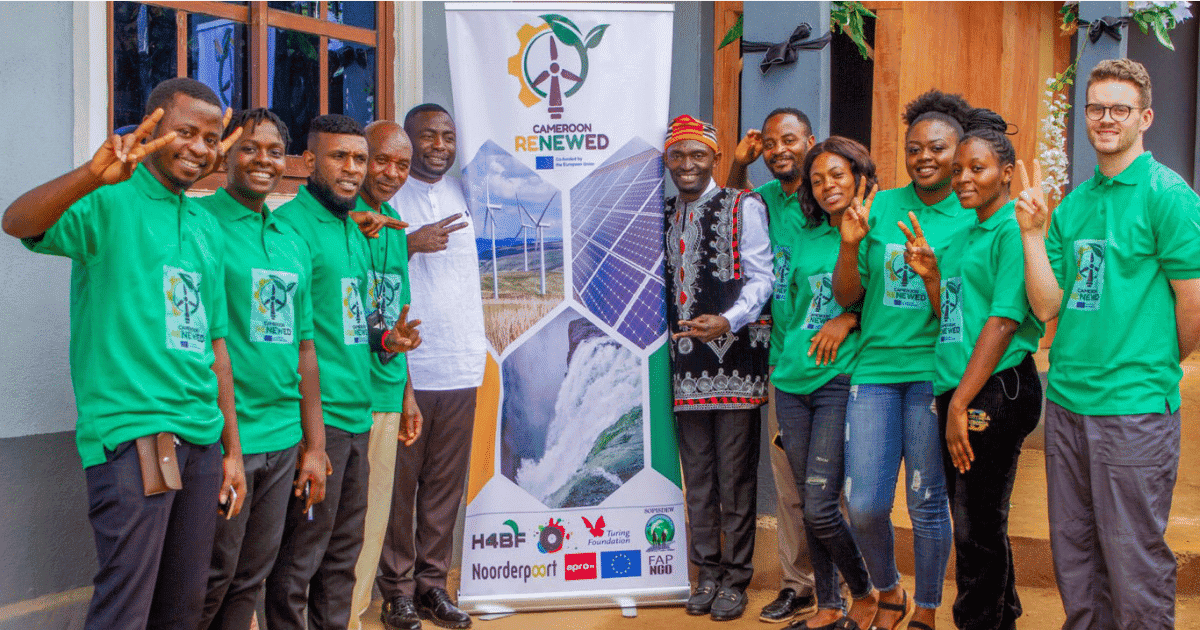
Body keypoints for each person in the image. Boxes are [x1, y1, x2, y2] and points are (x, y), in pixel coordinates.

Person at [1, 77, 246, 630]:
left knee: (183, 605)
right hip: (135, 435)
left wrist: (231, 449)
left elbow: (216, 347)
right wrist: (91, 175)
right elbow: (16, 222)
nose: (199, 148)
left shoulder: (205, 224)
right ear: (154, 128)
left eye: (211, 139)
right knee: (126, 607)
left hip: (202, 439)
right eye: (185, 132)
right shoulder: (110, 198)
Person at [1017, 58, 1200, 630]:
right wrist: (1032, 235)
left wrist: (1155, 362)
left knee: (1133, 561)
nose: (1105, 118)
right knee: (1075, 558)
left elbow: (1194, 303)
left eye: (1120, 108)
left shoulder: (1168, 195)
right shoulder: (1076, 204)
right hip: (1068, 402)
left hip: (1133, 410)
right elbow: (1046, 306)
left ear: (1144, 118)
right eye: (1096, 108)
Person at [265, 114, 420, 630]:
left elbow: (355, 317)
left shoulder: (356, 227)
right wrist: (309, 438)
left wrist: (388, 342)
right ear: (309, 161)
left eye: (358, 158)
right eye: (340, 157)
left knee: (342, 558)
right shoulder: (289, 228)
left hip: (358, 413)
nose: (353, 169)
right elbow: (287, 337)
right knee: (300, 559)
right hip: (319, 419)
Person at [832, 90, 974, 630]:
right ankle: (890, 590)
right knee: (864, 503)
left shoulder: (970, 216)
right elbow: (848, 297)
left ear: (958, 151)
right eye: (914, 148)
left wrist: (933, 277)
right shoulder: (880, 206)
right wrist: (850, 244)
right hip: (874, 372)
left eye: (937, 148)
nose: (924, 157)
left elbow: (959, 317)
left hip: (933, 375)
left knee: (926, 502)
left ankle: (928, 609)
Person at [899, 109, 1044, 630]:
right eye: (958, 169)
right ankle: (1002, 616)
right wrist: (932, 278)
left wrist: (960, 403)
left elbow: (1003, 322)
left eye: (976, 169)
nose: (963, 178)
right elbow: (956, 316)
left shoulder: (1010, 230)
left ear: (1005, 174)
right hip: (958, 386)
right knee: (979, 519)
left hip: (994, 389)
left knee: (975, 525)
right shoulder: (965, 231)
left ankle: (978, 621)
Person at [196, 108, 332, 630]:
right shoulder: (201, 223)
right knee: (212, 575)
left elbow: (305, 351)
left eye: (275, 151)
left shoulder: (288, 240)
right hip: (225, 437)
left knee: (252, 574)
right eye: (249, 148)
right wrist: (227, 445)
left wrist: (314, 445)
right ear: (225, 155)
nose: (263, 160)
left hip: (282, 438)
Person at [377, 103, 484, 630]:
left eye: (447, 136)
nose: (439, 145)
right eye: (428, 136)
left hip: (462, 363)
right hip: (409, 367)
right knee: (399, 489)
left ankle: (432, 587)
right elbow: (365, 260)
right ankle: (395, 591)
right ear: (407, 139)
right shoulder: (387, 197)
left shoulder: (469, 193)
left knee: (444, 489)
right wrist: (409, 243)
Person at [771, 136, 884, 630]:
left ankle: (866, 592)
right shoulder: (807, 235)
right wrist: (781, 363)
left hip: (838, 380)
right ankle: (829, 605)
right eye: (817, 180)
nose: (827, 186)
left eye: (837, 175)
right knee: (807, 501)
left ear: (860, 176)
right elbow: (790, 308)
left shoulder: (877, 230)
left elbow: (884, 299)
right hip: (792, 382)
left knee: (820, 505)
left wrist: (850, 318)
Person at [663, 114, 772, 622]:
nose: (687, 164)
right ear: (667, 161)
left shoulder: (743, 206)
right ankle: (705, 573)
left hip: (736, 363)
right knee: (699, 478)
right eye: (677, 155)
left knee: (736, 478)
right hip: (684, 368)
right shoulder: (662, 212)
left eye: (698, 154)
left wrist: (728, 319)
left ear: (715, 158)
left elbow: (762, 277)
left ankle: (735, 578)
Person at [729, 108, 820, 624]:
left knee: (833, 487)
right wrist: (740, 165)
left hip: (835, 365)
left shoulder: (831, 194)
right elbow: (728, 211)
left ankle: (848, 586)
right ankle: (798, 585)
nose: (780, 149)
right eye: (770, 143)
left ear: (810, 140)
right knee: (788, 488)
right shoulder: (763, 199)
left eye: (790, 139)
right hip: (782, 363)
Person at [349, 120, 424, 630]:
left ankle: (352, 616)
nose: (392, 173)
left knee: (371, 522)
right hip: (339, 395)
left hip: (386, 392)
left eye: (402, 165)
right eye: (381, 160)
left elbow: (397, 315)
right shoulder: (341, 218)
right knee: (330, 526)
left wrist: (407, 393)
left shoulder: (395, 223)